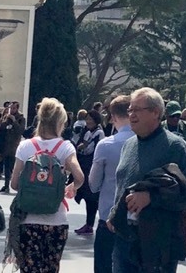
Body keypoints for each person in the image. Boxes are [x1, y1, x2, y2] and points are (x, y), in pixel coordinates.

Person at [107, 87, 186, 273]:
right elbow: (124, 183)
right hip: (124, 239)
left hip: (157, 243)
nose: (131, 115)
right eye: (130, 110)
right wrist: (115, 213)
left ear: (156, 112)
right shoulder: (129, 145)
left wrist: (151, 197)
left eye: (137, 110)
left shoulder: (176, 147)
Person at [7, 96, 84, 273]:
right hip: (56, 221)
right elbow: (79, 177)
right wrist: (70, 188)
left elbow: (14, 184)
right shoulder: (65, 147)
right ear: (61, 123)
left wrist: (34, 188)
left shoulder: (26, 146)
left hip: (28, 221)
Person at [88, 95, 134, 273]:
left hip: (108, 216)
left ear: (113, 117)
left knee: (104, 266)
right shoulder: (145, 142)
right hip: (137, 219)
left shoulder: (105, 145)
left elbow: (93, 184)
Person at [74, 108, 105, 236]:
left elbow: (96, 150)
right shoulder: (86, 132)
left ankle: (91, 224)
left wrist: (84, 146)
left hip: (92, 167)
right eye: (87, 119)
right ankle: (88, 224)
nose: (88, 121)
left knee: (92, 198)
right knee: (87, 197)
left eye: (91, 119)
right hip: (84, 166)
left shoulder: (99, 133)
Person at [0, 101, 26, 194]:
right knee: (6, 166)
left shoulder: (21, 118)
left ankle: (19, 185)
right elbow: (1, 129)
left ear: (17, 108)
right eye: (11, 108)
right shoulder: (7, 117)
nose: (12, 110)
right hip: (6, 146)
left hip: (15, 146)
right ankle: (6, 185)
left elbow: (21, 130)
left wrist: (14, 121)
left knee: (14, 167)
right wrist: (5, 119)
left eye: (14, 108)